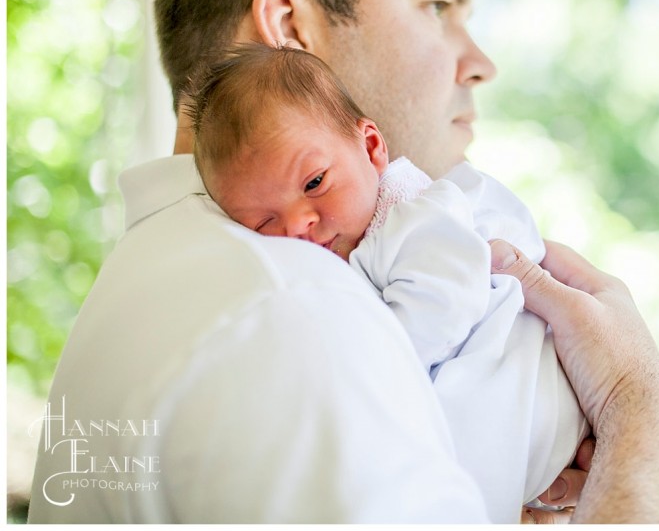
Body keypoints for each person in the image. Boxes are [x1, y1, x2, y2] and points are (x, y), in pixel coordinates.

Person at [28, 0, 659, 523]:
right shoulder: (298, 305)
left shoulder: (148, 289)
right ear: (289, 31)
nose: (481, 62)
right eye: (437, 4)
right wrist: (640, 431)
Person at [186, 43, 589, 519]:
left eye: (314, 183)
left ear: (372, 148)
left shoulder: (415, 215)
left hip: (522, 397)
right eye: (262, 222)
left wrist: (364, 371)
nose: (297, 224)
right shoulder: (342, 246)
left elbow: (446, 302)